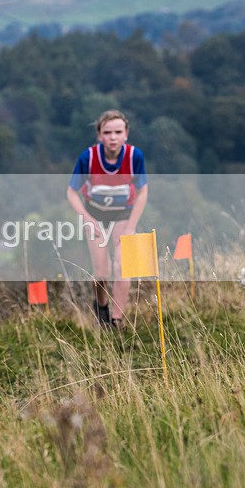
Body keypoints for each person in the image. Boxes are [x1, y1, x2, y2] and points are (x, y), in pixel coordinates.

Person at [66, 110, 148, 329]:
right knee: (102, 271)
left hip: (123, 213)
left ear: (126, 134)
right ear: (100, 135)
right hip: (95, 214)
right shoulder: (89, 158)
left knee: (123, 266)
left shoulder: (134, 157)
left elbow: (143, 191)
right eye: (108, 132)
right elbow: (72, 192)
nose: (113, 137)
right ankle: (101, 307)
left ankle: (117, 321)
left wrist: (131, 227)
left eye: (118, 132)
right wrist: (87, 218)